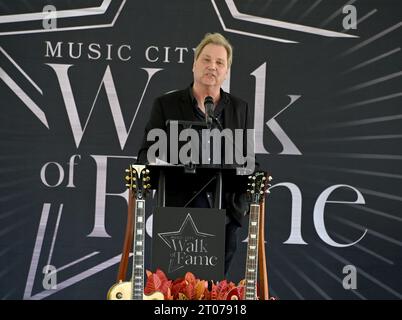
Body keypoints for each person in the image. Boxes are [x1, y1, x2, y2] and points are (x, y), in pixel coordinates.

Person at [137, 32, 254, 276]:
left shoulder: (239, 109)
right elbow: (145, 155)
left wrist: (237, 211)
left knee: (213, 296)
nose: (212, 66)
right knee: (172, 295)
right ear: (194, 64)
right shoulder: (165, 105)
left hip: (223, 221)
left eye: (220, 63)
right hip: (176, 220)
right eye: (206, 60)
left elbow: (247, 161)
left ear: (226, 71)